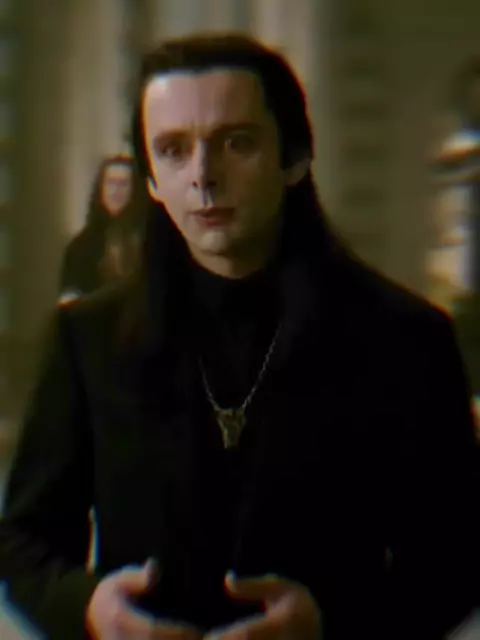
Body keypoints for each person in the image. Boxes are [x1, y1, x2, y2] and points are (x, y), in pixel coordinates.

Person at [0, 33, 478, 640]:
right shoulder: (88, 339)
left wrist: (332, 626)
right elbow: (24, 542)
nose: (203, 176)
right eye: (173, 150)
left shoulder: (406, 341)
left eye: (237, 143)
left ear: (294, 158)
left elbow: (458, 559)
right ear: (151, 179)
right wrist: (91, 609)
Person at [58, 154, 145, 304]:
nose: (116, 191)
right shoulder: (80, 248)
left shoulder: (152, 241)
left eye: (123, 184)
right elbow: (69, 302)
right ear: (101, 189)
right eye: (111, 183)